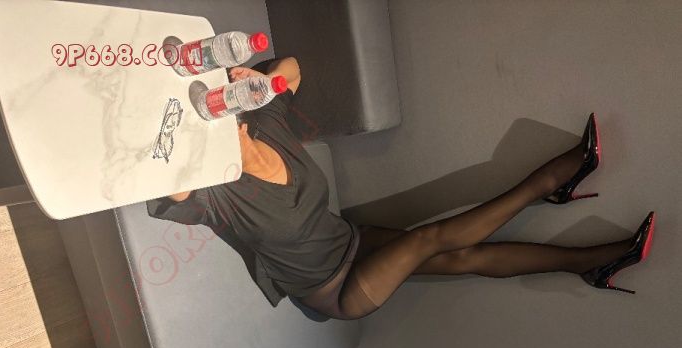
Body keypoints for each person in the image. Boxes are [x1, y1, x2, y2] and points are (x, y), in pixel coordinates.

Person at [147, 57, 655, 320]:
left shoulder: (266, 121)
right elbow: (171, 190)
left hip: (352, 240)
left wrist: (266, 83)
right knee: (429, 239)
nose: (229, 120)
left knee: (466, 258)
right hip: (336, 290)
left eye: (228, 111)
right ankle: (552, 181)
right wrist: (178, 154)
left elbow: (294, 67)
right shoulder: (216, 191)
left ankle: (585, 263)